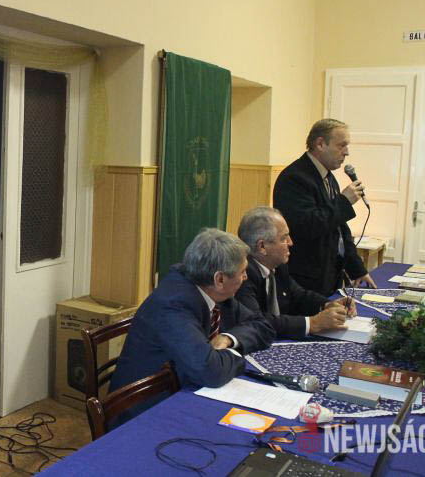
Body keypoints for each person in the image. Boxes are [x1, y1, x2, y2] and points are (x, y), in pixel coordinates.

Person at [107, 228, 274, 424]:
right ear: (220, 279)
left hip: (179, 388)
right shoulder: (173, 304)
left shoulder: (209, 287)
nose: (245, 277)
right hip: (141, 413)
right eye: (242, 272)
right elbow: (210, 371)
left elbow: (263, 326)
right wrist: (236, 355)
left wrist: (228, 339)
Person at [273, 119, 377, 296]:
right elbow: (308, 225)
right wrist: (344, 202)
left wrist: (357, 269)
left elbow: (340, 230)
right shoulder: (294, 178)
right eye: (341, 145)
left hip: (330, 276)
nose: (347, 152)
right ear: (320, 144)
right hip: (306, 281)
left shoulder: (329, 177)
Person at [235, 207, 357, 339]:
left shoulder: (278, 266)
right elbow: (256, 321)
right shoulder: (242, 274)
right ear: (262, 247)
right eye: (284, 238)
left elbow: (298, 295)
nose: (291, 243)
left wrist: (327, 304)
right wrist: (313, 323)